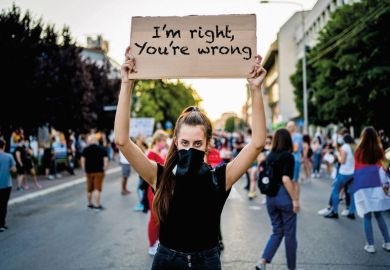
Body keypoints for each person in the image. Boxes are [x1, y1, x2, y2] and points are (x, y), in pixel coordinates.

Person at [114, 46, 267, 269]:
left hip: (207, 262)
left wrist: (255, 89)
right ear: (176, 142)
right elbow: (122, 141)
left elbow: (258, 143)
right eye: (185, 143)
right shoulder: (161, 176)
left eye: (197, 144)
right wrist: (127, 84)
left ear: (207, 145)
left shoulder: (220, 177)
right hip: (167, 261)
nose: (190, 149)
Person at [255, 129, 300, 270]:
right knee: (290, 235)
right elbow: (286, 179)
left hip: (270, 198)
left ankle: (263, 261)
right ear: (288, 141)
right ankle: (292, 268)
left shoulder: (269, 156)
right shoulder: (288, 156)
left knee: (277, 231)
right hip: (283, 196)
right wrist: (295, 199)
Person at [352, 127, 390, 253]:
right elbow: (384, 166)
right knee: (378, 214)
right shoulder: (378, 149)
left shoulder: (358, 150)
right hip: (376, 183)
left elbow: (356, 168)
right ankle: (387, 242)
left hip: (362, 184)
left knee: (367, 215)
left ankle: (370, 245)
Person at [146, 130, 168, 256]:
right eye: (163, 141)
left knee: (159, 218)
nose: (165, 143)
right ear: (157, 141)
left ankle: (157, 241)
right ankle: (152, 244)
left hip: (160, 188)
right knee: (154, 218)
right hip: (154, 189)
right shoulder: (151, 154)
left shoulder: (158, 152)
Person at [324, 134, 355, 219]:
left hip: (344, 172)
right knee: (352, 193)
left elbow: (342, 161)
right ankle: (351, 212)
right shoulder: (354, 147)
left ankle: (334, 212)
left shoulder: (345, 147)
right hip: (352, 173)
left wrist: (338, 154)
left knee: (335, 190)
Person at [81, 135, 109, 211]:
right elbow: (105, 160)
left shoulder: (86, 149)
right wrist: (104, 169)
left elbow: (83, 160)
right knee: (97, 189)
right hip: (99, 171)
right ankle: (97, 205)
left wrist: (84, 169)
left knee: (89, 189)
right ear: (96, 141)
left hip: (89, 172)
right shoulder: (102, 149)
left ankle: (89, 204)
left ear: (90, 141)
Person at [0, 139, 17, 232]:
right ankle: (1, 224)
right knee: (3, 205)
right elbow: (14, 170)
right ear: (3, 146)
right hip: (6, 184)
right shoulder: (9, 156)